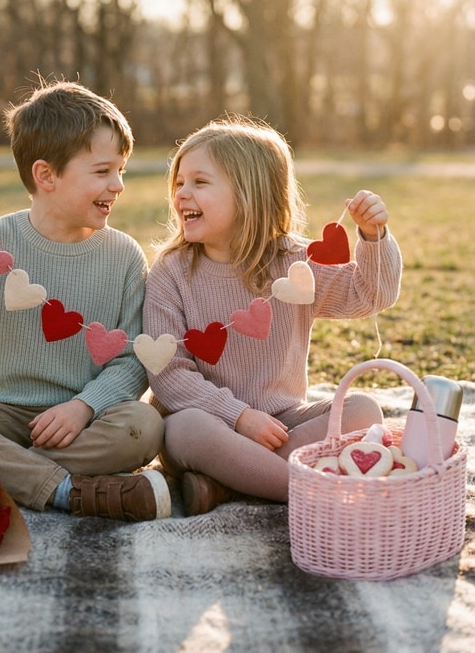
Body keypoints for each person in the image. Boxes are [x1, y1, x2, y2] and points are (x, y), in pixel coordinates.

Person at [0, 80, 170, 522]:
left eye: (122, 170)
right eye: (102, 171)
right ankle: (65, 489)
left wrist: (83, 407)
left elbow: (134, 359)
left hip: (82, 423)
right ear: (46, 176)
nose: (117, 185)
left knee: (146, 426)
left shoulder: (125, 256)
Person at [142, 115, 402, 515]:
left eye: (199, 182)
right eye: (178, 182)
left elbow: (371, 294)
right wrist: (239, 417)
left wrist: (374, 237)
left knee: (363, 410)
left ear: (250, 193)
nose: (181, 194)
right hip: (209, 423)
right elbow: (170, 376)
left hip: (282, 423)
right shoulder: (170, 272)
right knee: (182, 429)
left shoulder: (296, 264)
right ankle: (306, 489)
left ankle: (228, 486)